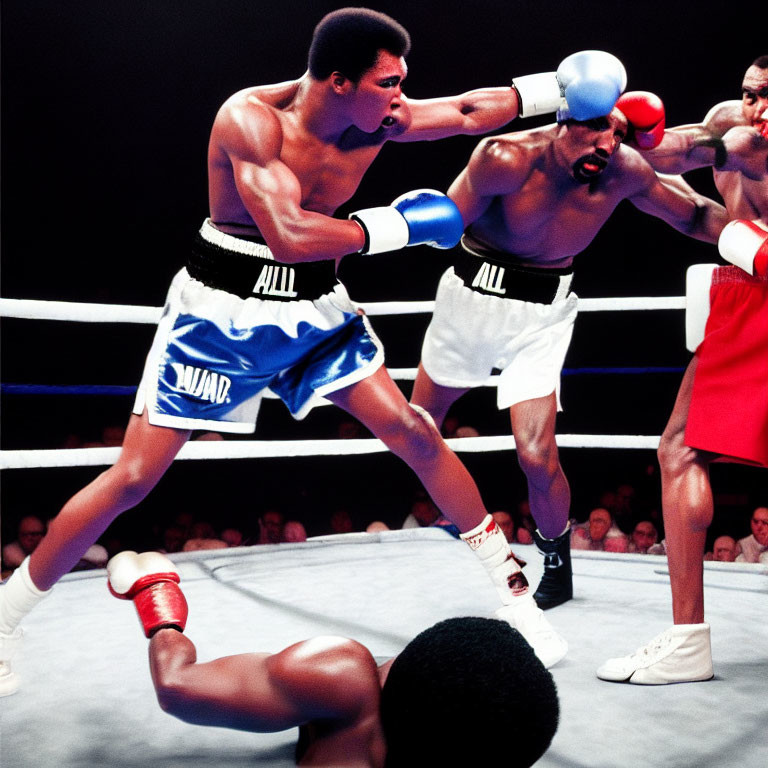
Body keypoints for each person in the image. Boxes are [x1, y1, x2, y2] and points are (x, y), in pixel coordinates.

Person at [0, 6, 628, 695]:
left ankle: (513, 597)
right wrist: (391, 228)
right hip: (223, 311)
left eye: (402, 83)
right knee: (133, 479)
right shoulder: (251, 121)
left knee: (415, 432)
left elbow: (473, 110)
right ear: (337, 81)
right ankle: (5, 617)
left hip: (313, 307)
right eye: (388, 83)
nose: (400, 99)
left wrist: (557, 95)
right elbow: (289, 234)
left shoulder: (380, 118)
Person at [410, 90, 729, 611]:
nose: (607, 144)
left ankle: (555, 562)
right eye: (596, 128)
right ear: (564, 121)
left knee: (536, 453)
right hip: (468, 302)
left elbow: (692, 215)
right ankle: (482, 538)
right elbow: (447, 225)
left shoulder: (624, 171)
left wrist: (754, 239)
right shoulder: (503, 158)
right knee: (418, 426)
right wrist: (409, 225)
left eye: (619, 134)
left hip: (543, 316)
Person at [598, 56, 768, 685]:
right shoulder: (734, 124)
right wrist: (636, 130)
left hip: (758, 285)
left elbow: (729, 149)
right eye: (753, 94)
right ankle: (688, 639)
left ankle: (689, 640)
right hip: (747, 296)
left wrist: (740, 241)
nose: (761, 109)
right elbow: (683, 150)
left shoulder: (746, 137)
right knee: (681, 450)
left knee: (681, 450)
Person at [106, 550, 559, 767]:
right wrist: (158, 602)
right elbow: (176, 685)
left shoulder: (508, 726)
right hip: (348, 689)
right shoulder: (339, 679)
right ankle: (156, 582)